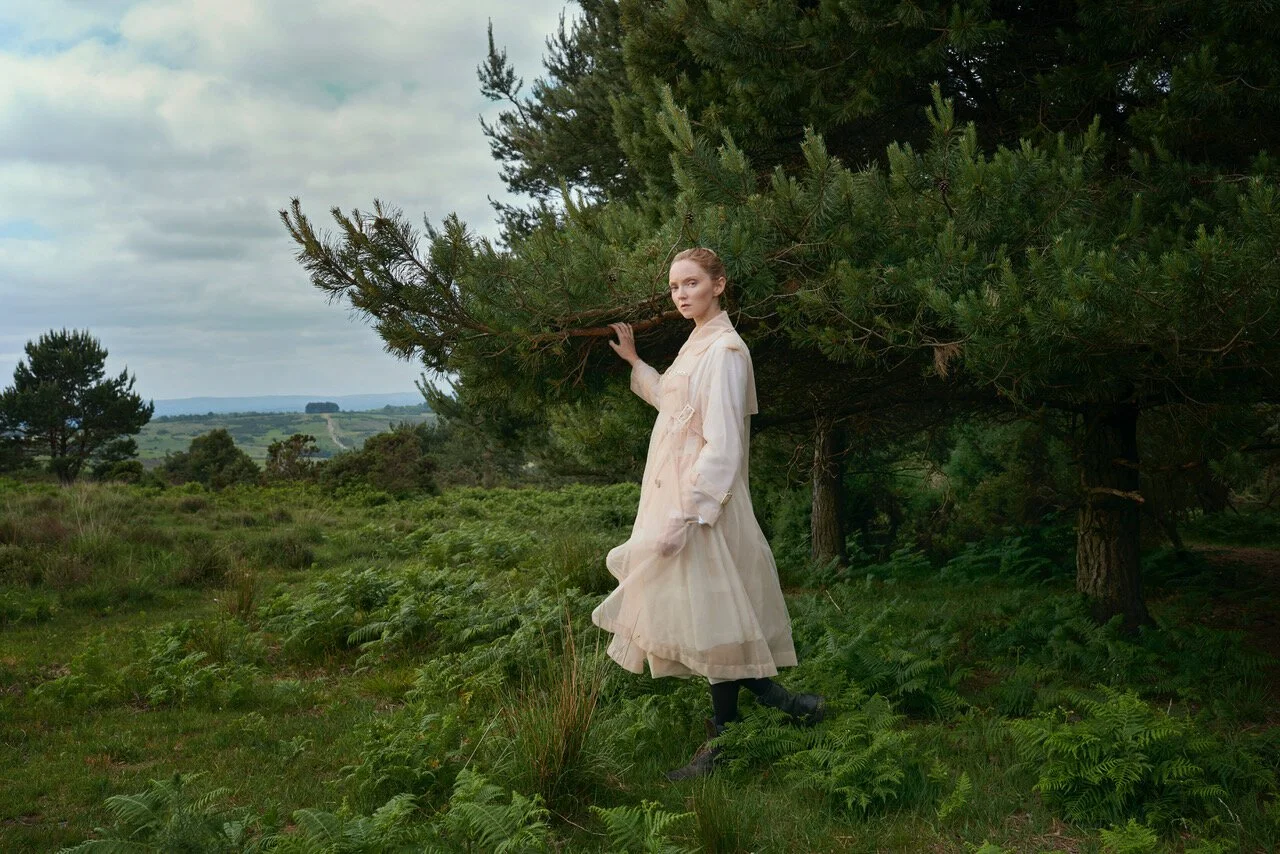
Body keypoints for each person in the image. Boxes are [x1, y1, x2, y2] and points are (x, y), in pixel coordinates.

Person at [591, 247, 823, 781]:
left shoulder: (725, 351)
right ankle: (784, 706)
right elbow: (675, 406)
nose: (681, 293)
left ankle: (733, 736)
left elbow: (723, 445)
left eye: (691, 282)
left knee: (714, 615)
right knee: (710, 613)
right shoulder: (697, 342)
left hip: (702, 503)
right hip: (678, 497)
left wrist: (690, 513)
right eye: (674, 286)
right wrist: (635, 363)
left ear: (719, 284)